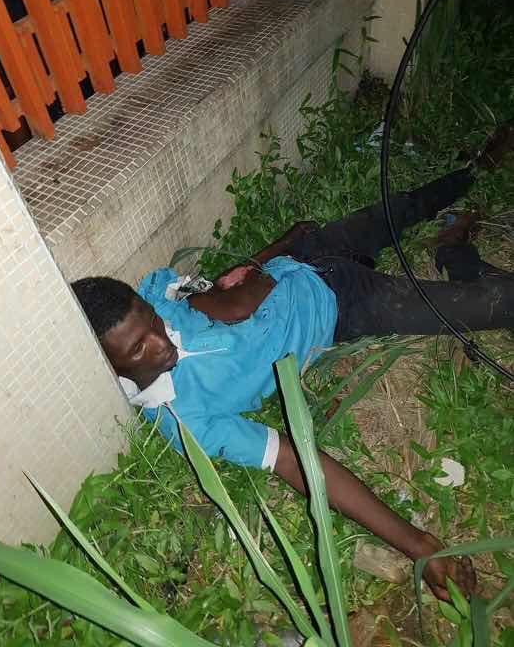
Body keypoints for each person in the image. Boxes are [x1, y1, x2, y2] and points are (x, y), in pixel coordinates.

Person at [72, 164, 513, 601]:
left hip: (307, 256)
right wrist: (418, 546)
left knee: (411, 203)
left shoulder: (154, 295)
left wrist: (278, 246)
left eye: (153, 323)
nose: (160, 341)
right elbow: (291, 460)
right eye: (138, 349)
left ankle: (477, 164)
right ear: (111, 369)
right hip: (344, 304)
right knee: (492, 306)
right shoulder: (185, 417)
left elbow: (225, 282)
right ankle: (454, 250)